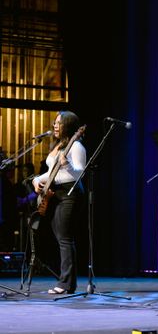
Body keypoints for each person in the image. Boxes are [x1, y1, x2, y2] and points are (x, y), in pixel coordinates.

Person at [32, 111, 86, 294]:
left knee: (64, 238)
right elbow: (52, 172)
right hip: (56, 192)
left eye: (59, 123)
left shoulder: (76, 145)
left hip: (70, 193)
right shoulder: (58, 146)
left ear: (68, 125)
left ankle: (66, 284)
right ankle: (67, 282)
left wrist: (67, 165)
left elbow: (80, 172)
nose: (55, 126)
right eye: (54, 123)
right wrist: (36, 179)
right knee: (60, 237)